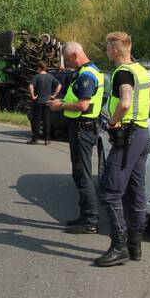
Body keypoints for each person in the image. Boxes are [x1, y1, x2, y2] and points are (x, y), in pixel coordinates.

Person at [95, 31, 150, 267]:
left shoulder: (122, 73)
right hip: (142, 134)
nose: (107, 52)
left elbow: (124, 102)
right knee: (136, 191)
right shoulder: (140, 70)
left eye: (107, 48)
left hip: (129, 137)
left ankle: (119, 246)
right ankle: (135, 247)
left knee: (110, 191)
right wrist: (139, 114)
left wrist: (113, 122)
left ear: (114, 50)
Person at [47, 42, 105, 234]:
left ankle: (90, 220)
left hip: (83, 128)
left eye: (68, 60)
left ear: (74, 56)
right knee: (80, 172)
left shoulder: (87, 75)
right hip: (84, 127)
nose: (68, 65)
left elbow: (82, 105)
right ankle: (85, 216)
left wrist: (60, 105)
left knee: (83, 174)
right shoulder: (91, 71)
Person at [27, 62, 61, 145]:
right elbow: (59, 85)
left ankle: (35, 139)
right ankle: (47, 140)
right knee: (47, 121)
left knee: (37, 120)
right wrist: (54, 95)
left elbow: (31, 86)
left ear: (39, 68)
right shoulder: (50, 77)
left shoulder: (37, 77)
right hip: (48, 102)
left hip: (38, 101)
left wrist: (33, 96)